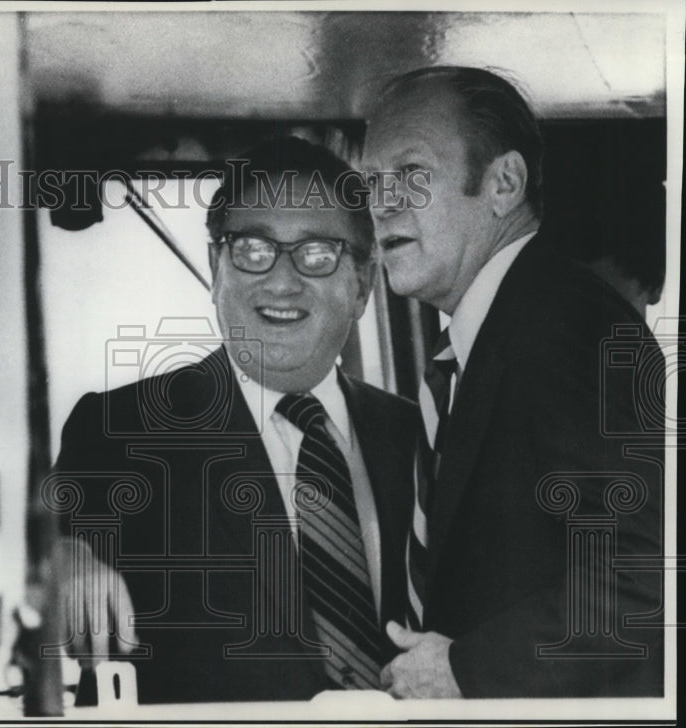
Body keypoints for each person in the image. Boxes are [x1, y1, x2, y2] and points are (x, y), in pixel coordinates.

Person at [50, 137, 417, 703]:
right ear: (216, 265)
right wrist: (63, 558)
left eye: (317, 255)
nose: (281, 281)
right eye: (252, 249)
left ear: (364, 285)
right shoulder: (120, 431)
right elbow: (23, 554)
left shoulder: (418, 439)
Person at [358, 66, 664, 698]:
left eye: (412, 176)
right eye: (372, 182)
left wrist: (467, 669)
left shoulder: (570, 325)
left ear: (504, 183)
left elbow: (645, 580)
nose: (382, 203)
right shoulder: (488, 339)